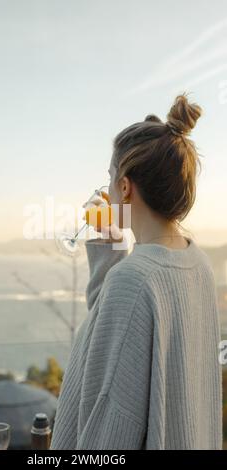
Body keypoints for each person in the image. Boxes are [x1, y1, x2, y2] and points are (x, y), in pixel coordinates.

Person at [49, 93, 222, 450]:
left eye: (111, 177)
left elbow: (112, 411)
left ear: (124, 188)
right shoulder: (198, 264)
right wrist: (112, 250)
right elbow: (116, 336)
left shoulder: (134, 279)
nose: (107, 188)